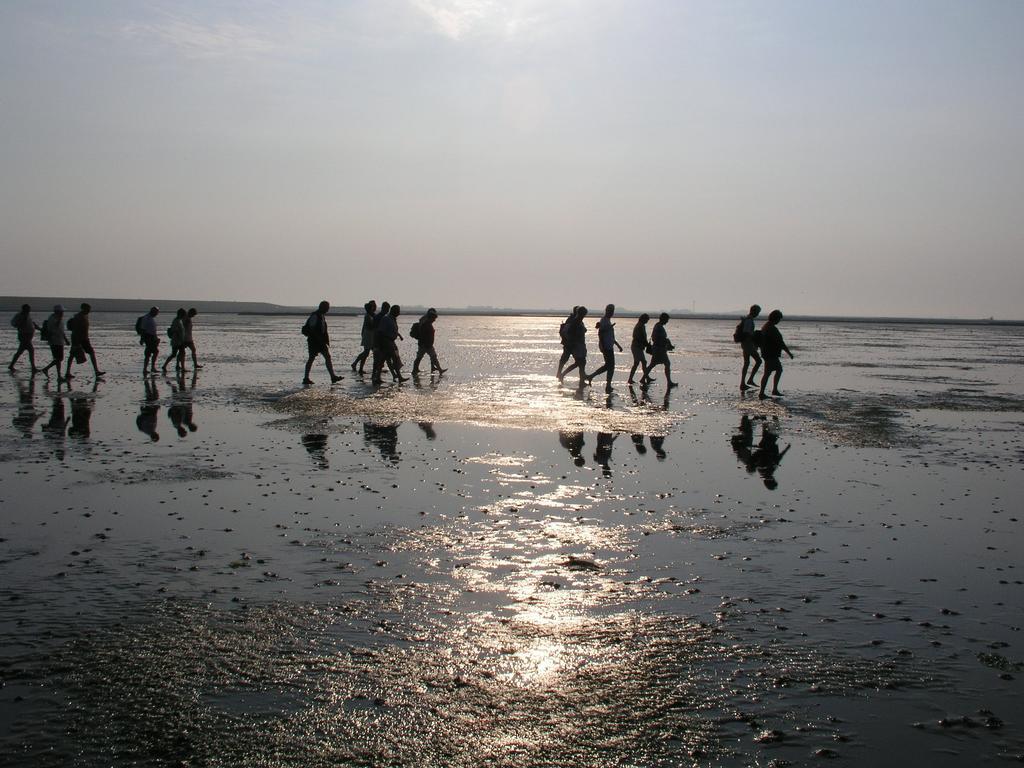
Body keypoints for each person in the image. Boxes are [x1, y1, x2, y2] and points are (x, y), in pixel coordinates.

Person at [302, 301, 343, 386]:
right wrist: (319, 339)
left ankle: (332, 376)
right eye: (327, 308)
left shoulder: (321, 316)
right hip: (315, 341)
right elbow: (312, 329)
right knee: (312, 358)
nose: (328, 309)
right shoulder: (315, 316)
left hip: (319, 341)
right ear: (322, 307)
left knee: (326, 357)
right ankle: (306, 378)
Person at [758, 309, 794, 400]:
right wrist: (789, 353)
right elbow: (780, 342)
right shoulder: (771, 328)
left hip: (767, 353)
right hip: (770, 354)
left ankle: (768, 391)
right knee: (773, 371)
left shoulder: (766, 326)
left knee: (771, 372)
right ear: (775, 318)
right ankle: (765, 392)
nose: (779, 321)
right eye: (779, 319)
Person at [586, 304, 623, 392]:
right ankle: (608, 385)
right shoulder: (604, 320)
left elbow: (611, 336)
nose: (611, 313)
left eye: (612, 311)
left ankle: (592, 377)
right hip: (606, 346)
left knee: (608, 366)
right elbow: (600, 333)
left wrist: (617, 345)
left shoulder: (608, 321)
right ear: (607, 311)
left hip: (609, 345)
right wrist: (602, 345)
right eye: (610, 311)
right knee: (611, 366)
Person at [64, 303, 105, 380]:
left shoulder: (85, 316)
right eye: (87, 309)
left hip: (85, 339)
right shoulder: (78, 317)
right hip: (77, 339)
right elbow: (75, 330)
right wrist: (77, 342)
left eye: (89, 309)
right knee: (72, 355)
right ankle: (67, 372)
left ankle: (96, 371)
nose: (89, 311)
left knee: (91, 353)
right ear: (83, 309)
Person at [372, 304, 407, 385]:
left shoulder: (392, 319)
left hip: (390, 341)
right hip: (386, 342)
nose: (399, 313)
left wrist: (399, 335)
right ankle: (399, 377)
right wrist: (378, 344)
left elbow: (393, 330)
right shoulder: (386, 319)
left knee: (384, 360)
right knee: (393, 359)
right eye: (398, 311)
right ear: (393, 311)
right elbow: (380, 331)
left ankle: (378, 377)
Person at [557, 306, 588, 386]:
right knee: (579, 363)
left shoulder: (579, 321)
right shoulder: (575, 321)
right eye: (583, 314)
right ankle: (562, 374)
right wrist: (573, 342)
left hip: (580, 345)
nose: (584, 316)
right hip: (576, 346)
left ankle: (581, 381)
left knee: (582, 363)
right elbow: (570, 333)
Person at [647, 313, 678, 388]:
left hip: (658, 348)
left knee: (652, 364)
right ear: (663, 319)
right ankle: (669, 382)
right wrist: (668, 343)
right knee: (667, 364)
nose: (667, 322)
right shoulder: (659, 327)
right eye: (667, 320)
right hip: (659, 349)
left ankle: (643, 378)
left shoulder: (657, 326)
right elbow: (658, 339)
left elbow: (657, 338)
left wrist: (667, 343)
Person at [412, 308, 446, 376]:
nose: (434, 320)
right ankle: (439, 370)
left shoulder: (426, 323)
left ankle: (439, 369)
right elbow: (424, 336)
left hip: (426, 344)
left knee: (423, 357)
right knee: (427, 357)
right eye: (434, 319)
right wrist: (427, 344)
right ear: (430, 318)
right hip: (425, 345)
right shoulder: (425, 325)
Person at [8, 304, 40, 373]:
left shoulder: (28, 315)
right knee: (31, 351)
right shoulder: (19, 315)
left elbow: (32, 323)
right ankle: (33, 368)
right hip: (23, 336)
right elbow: (14, 323)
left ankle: (11, 365)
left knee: (20, 351)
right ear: (24, 309)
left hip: (28, 336)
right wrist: (21, 322)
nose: (29, 311)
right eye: (28, 309)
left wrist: (40, 329)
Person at [39, 305, 68, 379]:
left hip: (59, 340)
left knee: (58, 359)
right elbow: (55, 327)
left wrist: (65, 339)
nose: (63, 313)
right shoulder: (52, 318)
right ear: (58, 312)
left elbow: (61, 331)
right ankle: (47, 369)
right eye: (62, 311)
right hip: (54, 341)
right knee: (59, 359)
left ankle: (58, 375)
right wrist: (60, 319)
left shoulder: (58, 318)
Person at [737, 304, 762, 391]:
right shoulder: (749, 320)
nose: (758, 314)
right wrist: (755, 334)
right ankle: (750, 379)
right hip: (748, 344)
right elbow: (746, 332)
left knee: (746, 363)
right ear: (754, 311)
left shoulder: (747, 319)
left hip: (745, 344)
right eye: (758, 312)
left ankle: (743, 383)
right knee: (759, 361)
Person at [351, 300, 377, 374]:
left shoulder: (371, 315)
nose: (374, 307)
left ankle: (357, 365)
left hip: (370, 335)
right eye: (373, 306)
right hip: (368, 336)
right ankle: (359, 367)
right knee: (367, 352)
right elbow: (369, 326)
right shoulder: (368, 316)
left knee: (367, 352)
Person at [627, 313, 653, 385]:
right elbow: (641, 337)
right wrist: (647, 345)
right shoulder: (640, 326)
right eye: (647, 320)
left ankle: (646, 377)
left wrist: (646, 344)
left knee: (643, 362)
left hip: (638, 347)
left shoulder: (641, 326)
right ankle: (630, 379)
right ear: (643, 319)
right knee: (637, 363)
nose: (647, 321)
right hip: (636, 347)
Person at [161, 308, 187, 374]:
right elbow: (175, 331)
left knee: (180, 353)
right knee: (176, 354)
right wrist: (181, 340)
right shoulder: (176, 321)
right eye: (184, 314)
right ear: (181, 314)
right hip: (177, 341)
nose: (184, 315)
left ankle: (178, 366)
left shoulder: (179, 320)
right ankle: (181, 367)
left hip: (178, 340)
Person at [556, 307, 578, 379]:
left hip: (571, 344)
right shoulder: (572, 320)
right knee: (566, 359)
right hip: (569, 344)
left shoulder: (573, 319)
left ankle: (560, 373)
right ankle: (560, 374)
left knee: (566, 359)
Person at [138, 306, 161, 375]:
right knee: (152, 352)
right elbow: (143, 329)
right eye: (156, 312)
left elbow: (153, 329)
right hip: (148, 337)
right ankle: (148, 368)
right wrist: (142, 339)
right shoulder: (146, 318)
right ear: (153, 311)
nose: (157, 314)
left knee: (152, 353)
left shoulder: (151, 318)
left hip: (152, 337)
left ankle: (149, 368)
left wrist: (156, 338)